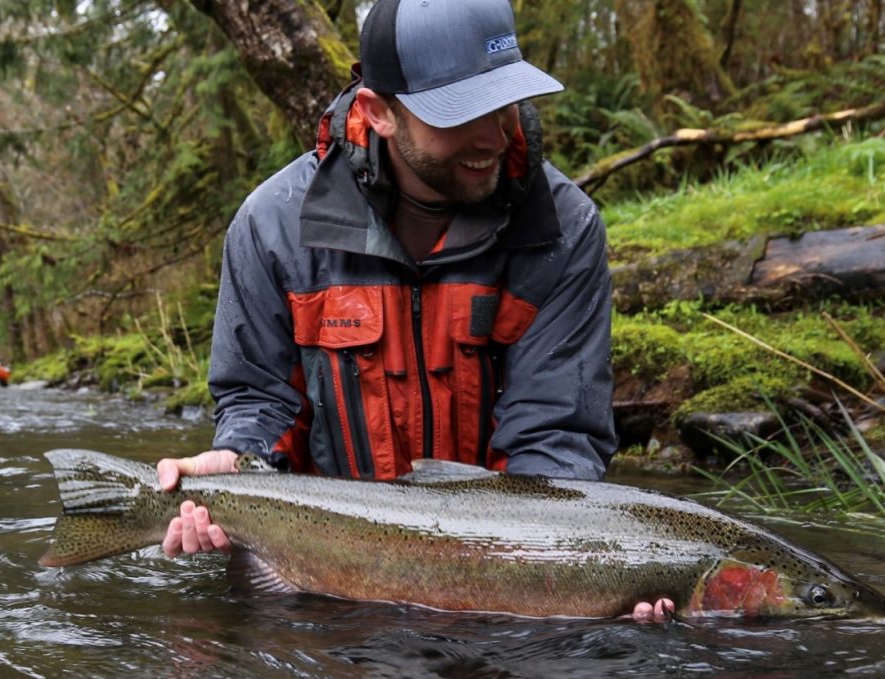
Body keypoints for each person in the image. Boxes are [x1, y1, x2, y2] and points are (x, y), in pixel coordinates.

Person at [157, 0, 674, 623]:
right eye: (458, 113)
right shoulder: (274, 225)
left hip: (499, 583)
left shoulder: (561, 229)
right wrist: (239, 464)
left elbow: (554, 436)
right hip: (323, 580)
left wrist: (581, 584)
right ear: (379, 112)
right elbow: (262, 403)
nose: (492, 135)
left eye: (504, 101)